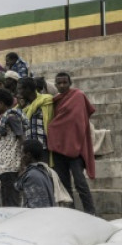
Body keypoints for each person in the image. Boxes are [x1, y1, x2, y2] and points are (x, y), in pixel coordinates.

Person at [47, 72, 97, 215]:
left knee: (80, 183)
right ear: (55, 85)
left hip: (76, 148)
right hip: (58, 148)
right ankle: (72, 214)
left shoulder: (78, 96)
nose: (62, 85)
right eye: (59, 83)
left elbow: (78, 121)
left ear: (70, 83)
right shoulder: (54, 101)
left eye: (65, 83)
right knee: (64, 184)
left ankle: (91, 212)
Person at [0, 88, 24, 207]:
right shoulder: (5, 117)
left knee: (12, 199)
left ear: (1, 103)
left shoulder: (11, 117)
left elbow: (21, 138)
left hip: (12, 164)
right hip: (5, 165)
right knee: (6, 197)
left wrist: (22, 164)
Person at [17, 77, 54, 163]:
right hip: (28, 150)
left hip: (43, 147)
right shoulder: (22, 106)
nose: (18, 92)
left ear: (28, 89)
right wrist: (21, 107)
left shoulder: (46, 100)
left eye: (19, 89)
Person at [16, 139, 56, 208]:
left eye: (21, 153)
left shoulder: (32, 176)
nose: (20, 157)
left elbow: (35, 207)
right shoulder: (42, 170)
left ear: (28, 155)